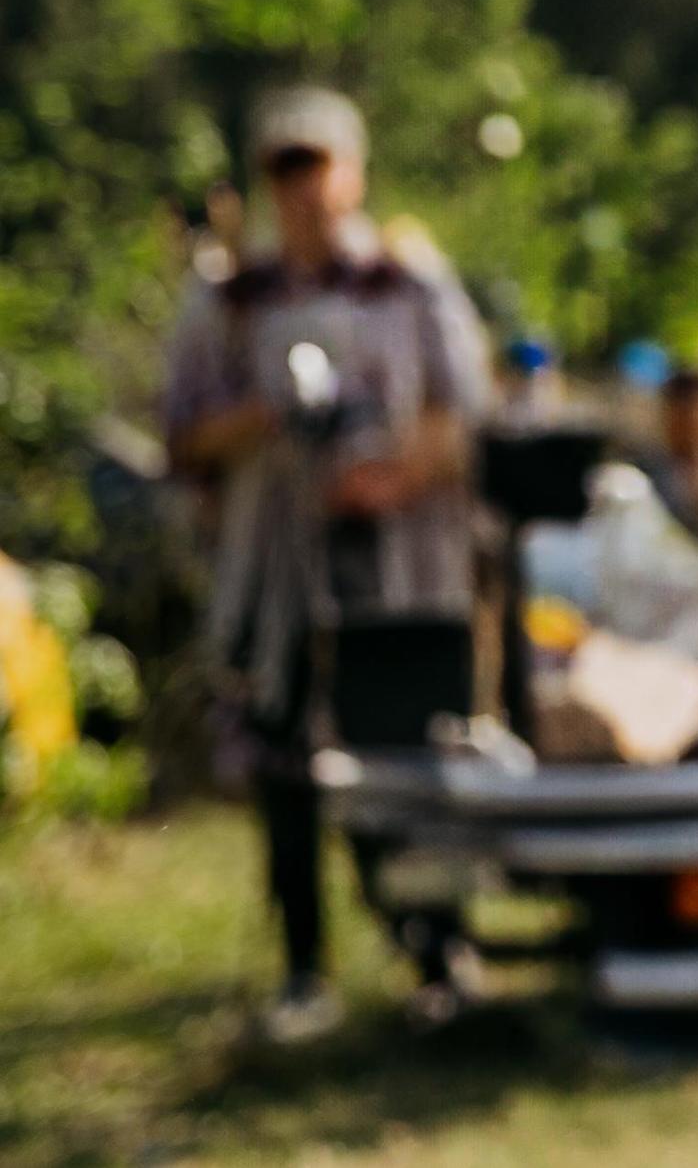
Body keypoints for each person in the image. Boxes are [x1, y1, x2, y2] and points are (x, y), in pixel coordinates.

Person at [158, 87, 487, 1044]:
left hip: (399, 577)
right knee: (286, 765)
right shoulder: (231, 299)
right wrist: (266, 419)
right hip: (278, 582)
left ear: (354, 170)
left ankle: (437, 952)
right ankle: (307, 967)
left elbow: (465, 415)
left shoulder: (409, 283)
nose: (304, 187)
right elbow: (181, 435)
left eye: (319, 163)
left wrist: (392, 478)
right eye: (285, 167)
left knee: (409, 759)